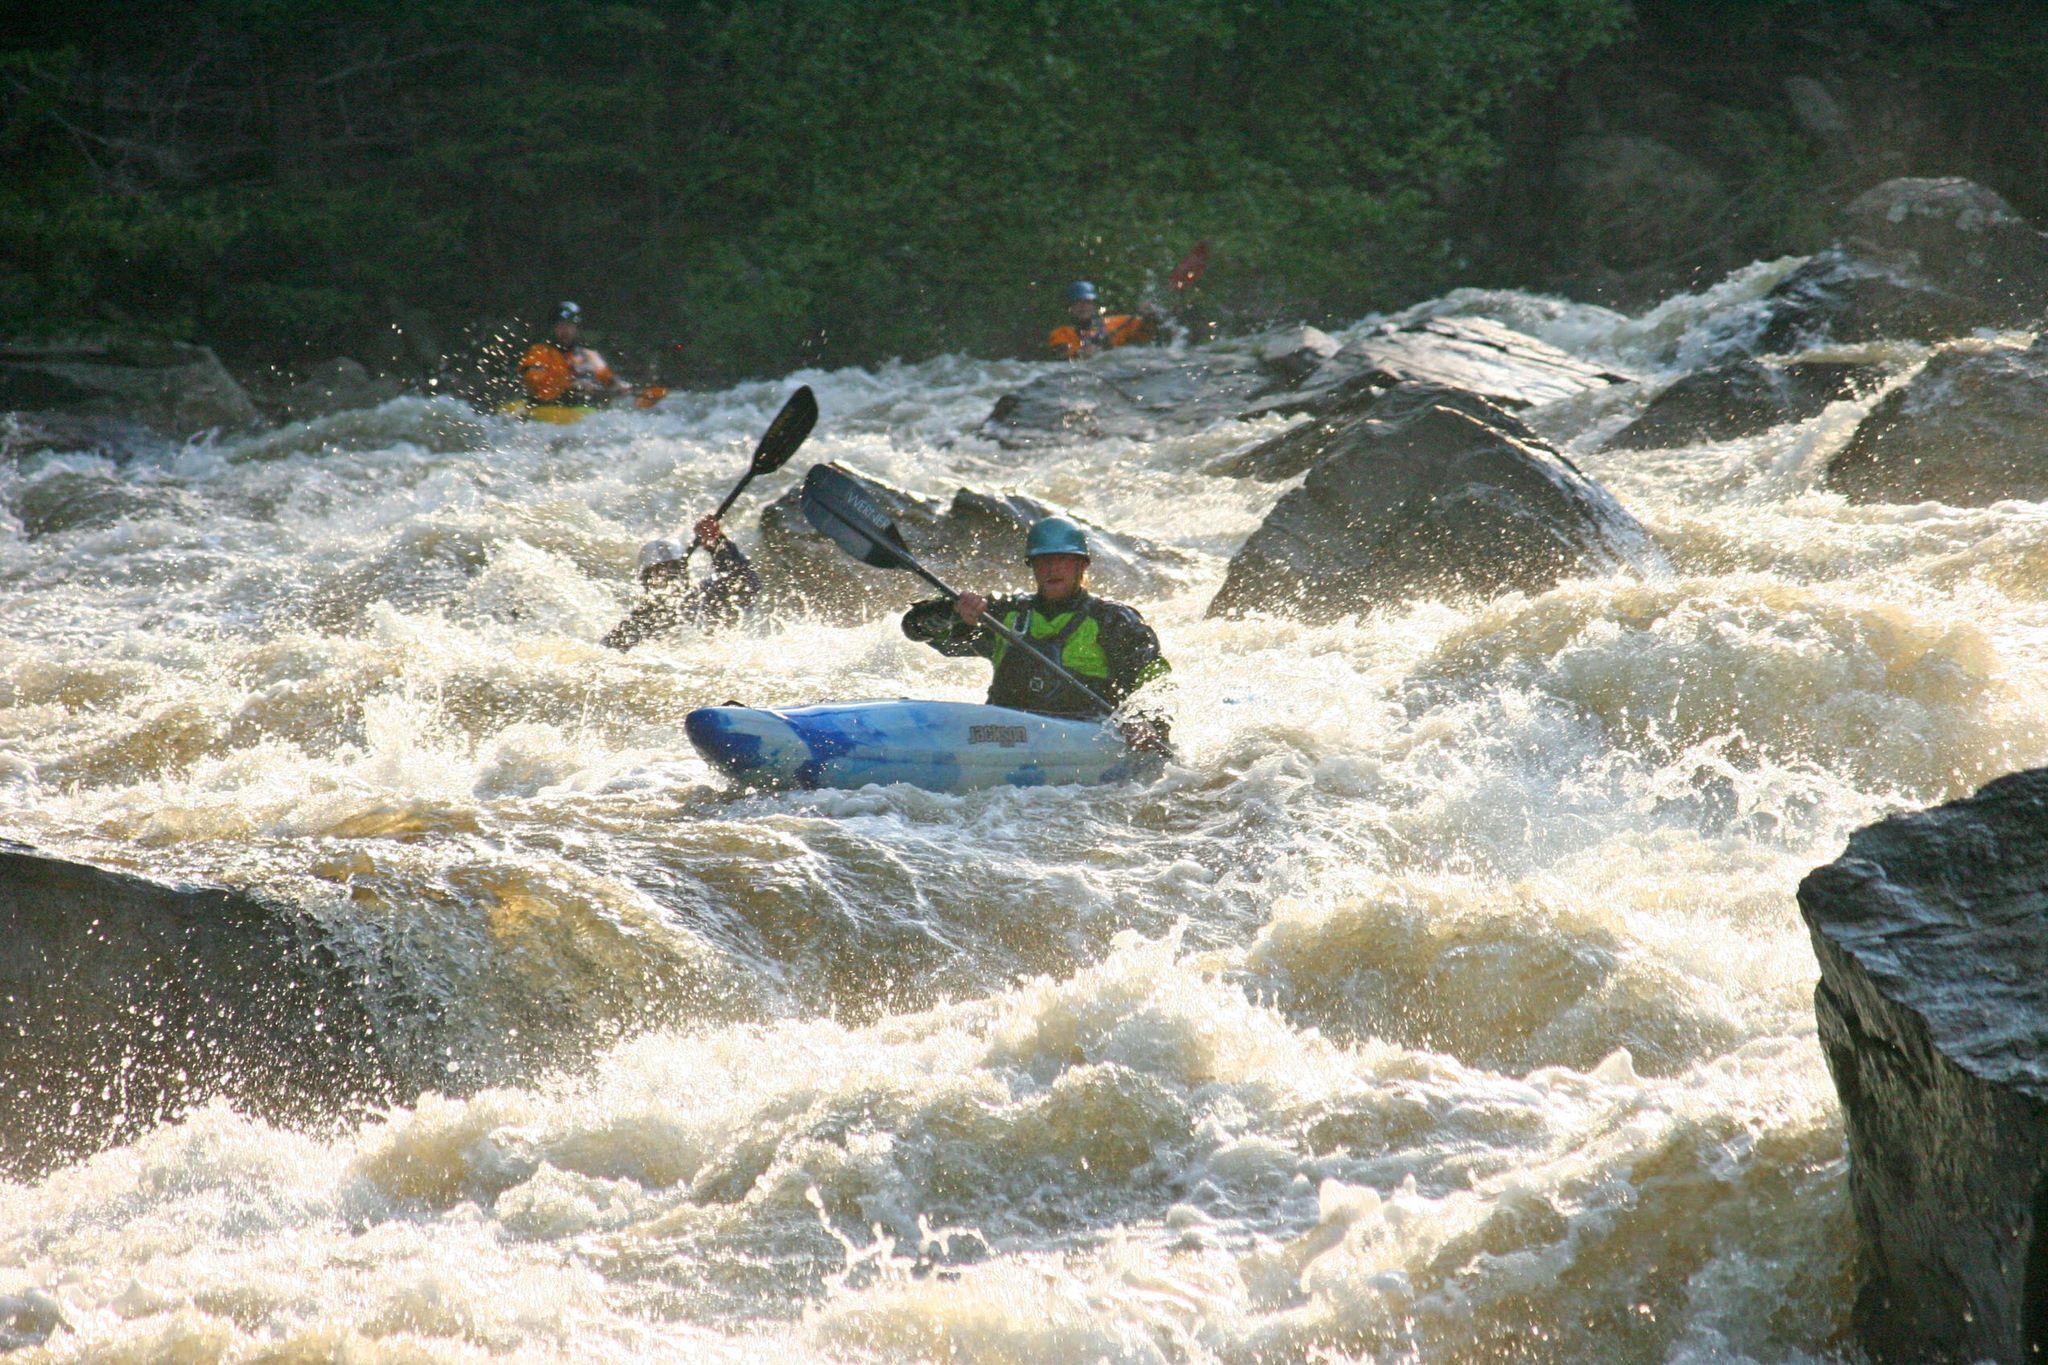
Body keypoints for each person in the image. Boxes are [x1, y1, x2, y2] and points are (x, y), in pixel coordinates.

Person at [901, 515, 1170, 746]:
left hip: (1084, 740)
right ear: (1032, 566)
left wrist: (1146, 720)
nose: (1052, 568)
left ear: (1082, 565)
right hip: (1006, 738)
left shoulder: (1113, 620)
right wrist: (955, 613)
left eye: (1062, 559)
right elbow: (915, 628)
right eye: (1043, 561)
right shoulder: (1005, 613)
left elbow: (1155, 678)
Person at [601, 514, 760, 650]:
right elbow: (604, 653)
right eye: (657, 573)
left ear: (684, 573)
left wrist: (717, 543)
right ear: (645, 581)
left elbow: (745, 580)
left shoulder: (707, 595)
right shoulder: (638, 622)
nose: (667, 578)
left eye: (672, 570)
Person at [520, 301, 633, 404]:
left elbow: (608, 378)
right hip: (549, 408)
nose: (566, 331)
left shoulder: (589, 355)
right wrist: (570, 385)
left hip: (582, 411)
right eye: (561, 326)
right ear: (553, 328)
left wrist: (619, 386)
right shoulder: (539, 352)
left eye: (570, 325)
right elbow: (533, 381)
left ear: (577, 328)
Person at [1046, 281, 1153, 360]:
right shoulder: (1061, 333)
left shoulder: (1116, 323)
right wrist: (1081, 353)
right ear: (1070, 307)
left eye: (1087, 302)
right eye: (1078, 303)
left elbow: (1149, 330)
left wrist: (1148, 315)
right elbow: (1061, 355)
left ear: (1095, 305)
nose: (1083, 307)